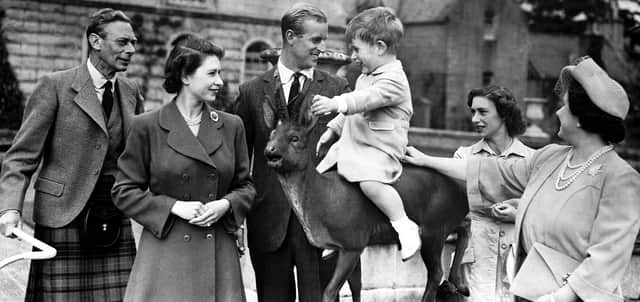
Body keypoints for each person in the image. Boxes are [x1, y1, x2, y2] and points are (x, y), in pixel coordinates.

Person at [403, 56, 640, 302]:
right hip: (528, 291)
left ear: (582, 117)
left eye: (565, 106)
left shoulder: (621, 179)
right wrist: (425, 160)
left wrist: (557, 299)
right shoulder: (550, 157)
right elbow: (487, 171)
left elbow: (606, 261)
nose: (558, 111)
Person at [0, 8, 143, 301]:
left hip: (112, 215)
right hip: (62, 215)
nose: (131, 50)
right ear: (95, 41)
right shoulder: (55, 86)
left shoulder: (130, 91)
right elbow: (21, 157)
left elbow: (140, 157)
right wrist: (10, 208)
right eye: (122, 42)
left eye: (133, 42)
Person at [111, 36, 255, 302]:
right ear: (186, 76)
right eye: (212, 73)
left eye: (220, 73)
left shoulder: (232, 125)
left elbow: (246, 186)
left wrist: (225, 204)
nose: (220, 81)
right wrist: (173, 206)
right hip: (166, 251)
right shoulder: (147, 126)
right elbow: (123, 191)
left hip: (218, 254)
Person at [234, 3, 351, 302]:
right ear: (290, 37)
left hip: (323, 226)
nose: (321, 48)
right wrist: (236, 218)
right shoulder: (251, 91)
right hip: (267, 222)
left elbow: (348, 156)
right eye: (315, 40)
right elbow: (239, 160)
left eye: (323, 39)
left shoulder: (338, 89)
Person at [311, 6, 420, 261]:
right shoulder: (366, 75)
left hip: (379, 147)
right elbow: (355, 112)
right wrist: (333, 128)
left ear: (380, 47)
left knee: (370, 183)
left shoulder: (394, 79)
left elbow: (365, 100)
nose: (353, 56)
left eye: (357, 49)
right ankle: (338, 231)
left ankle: (404, 225)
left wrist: (336, 103)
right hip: (355, 143)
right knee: (322, 177)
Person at [452, 85, 533, 302]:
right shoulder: (463, 157)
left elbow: (546, 212)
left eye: (483, 112)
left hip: (518, 258)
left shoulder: (532, 160)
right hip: (477, 256)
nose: (474, 119)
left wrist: (519, 214)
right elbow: (457, 209)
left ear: (504, 114)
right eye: (473, 112)